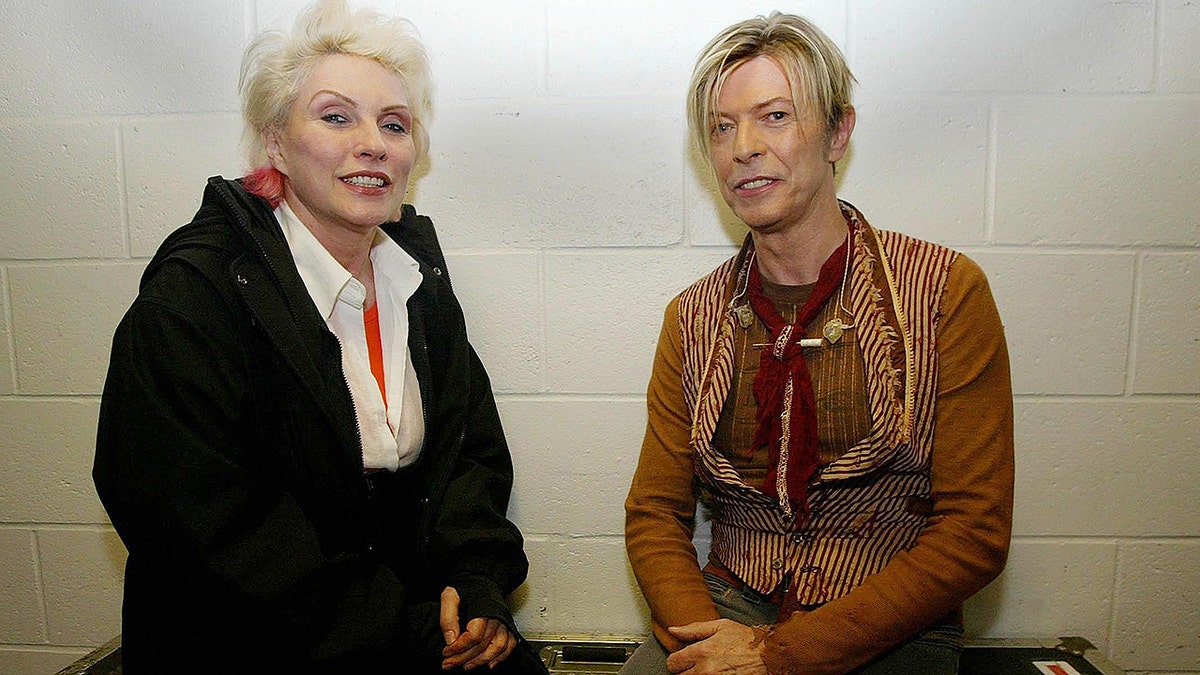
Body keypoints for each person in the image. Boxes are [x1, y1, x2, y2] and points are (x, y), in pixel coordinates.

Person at [92, 2, 547, 673]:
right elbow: (210, 533)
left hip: (406, 630)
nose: (374, 143)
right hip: (252, 648)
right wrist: (407, 629)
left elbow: (466, 459)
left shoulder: (416, 284)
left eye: (394, 124)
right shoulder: (193, 299)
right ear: (275, 141)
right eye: (337, 116)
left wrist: (476, 583)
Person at [623, 12, 1014, 675]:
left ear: (838, 132)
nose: (743, 145)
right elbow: (654, 512)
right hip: (727, 603)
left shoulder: (946, 291)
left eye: (774, 116)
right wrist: (708, 641)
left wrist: (785, 655)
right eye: (721, 127)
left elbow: (974, 529)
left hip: (890, 620)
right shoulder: (690, 318)